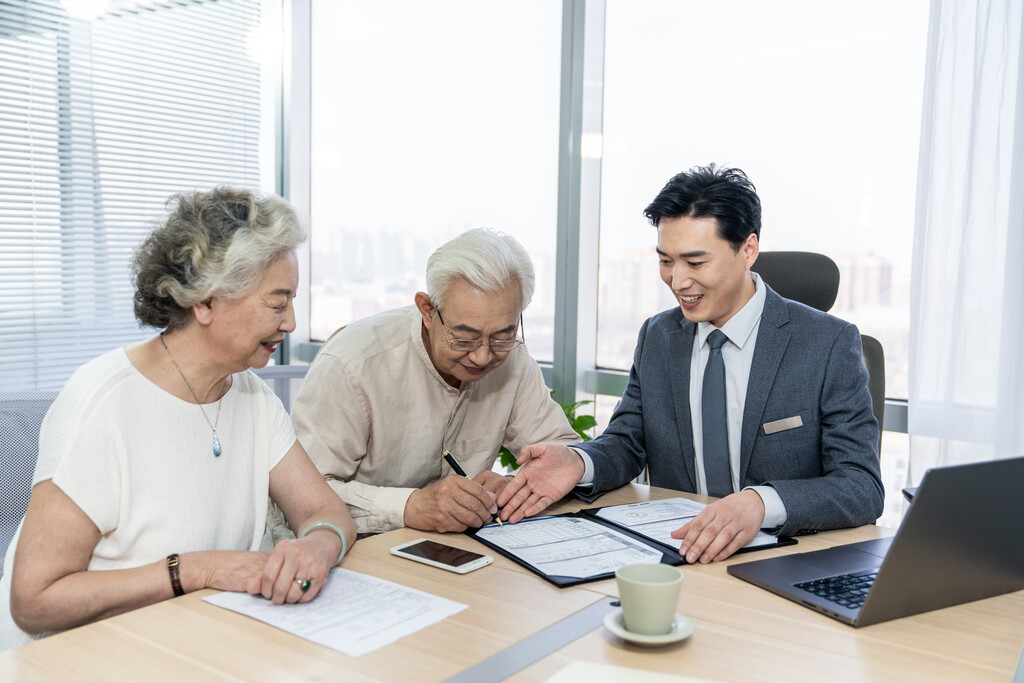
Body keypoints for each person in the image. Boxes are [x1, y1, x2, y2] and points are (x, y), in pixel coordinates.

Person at [0, 188, 356, 651]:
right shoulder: (102, 404)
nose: (290, 322)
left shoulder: (251, 394)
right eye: (276, 302)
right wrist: (195, 569)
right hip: (75, 657)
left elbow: (323, 512)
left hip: (187, 645)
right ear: (205, 301)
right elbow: (34, 601)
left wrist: (315, 549)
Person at [498, 164, 884, 563]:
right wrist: (579, 462)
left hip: (783, 560)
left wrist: (759, 503)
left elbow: (860, 486)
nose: (677, 281)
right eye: (666, 261)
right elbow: (628, 442)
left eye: (695, 263)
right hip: (682, 555)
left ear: (748, 249)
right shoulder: (659, 337)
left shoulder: (827, 344)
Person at [291, 228, 579, 535]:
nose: (482, 357)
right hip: (353, 550)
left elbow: (560, 452)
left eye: (502, 335)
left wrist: (512, 488)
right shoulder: (354, 363)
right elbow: (300, 494)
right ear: (427, 311)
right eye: (465, 337)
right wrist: (410, 507)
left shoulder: (514, 362)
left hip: (458, 554)